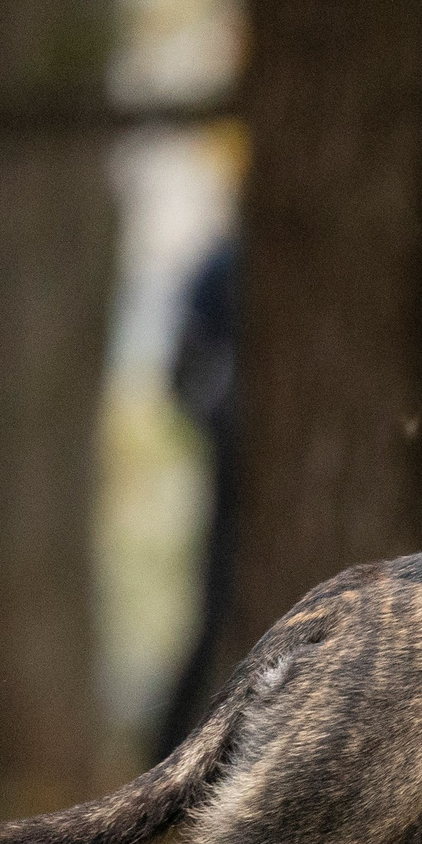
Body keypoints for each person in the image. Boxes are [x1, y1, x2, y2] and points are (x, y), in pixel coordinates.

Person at [152, 238, 239, 760]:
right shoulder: (223, 266)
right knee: (216, 617)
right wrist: (224, 423)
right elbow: (182, 374)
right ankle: (167, 759)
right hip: (231, 479)